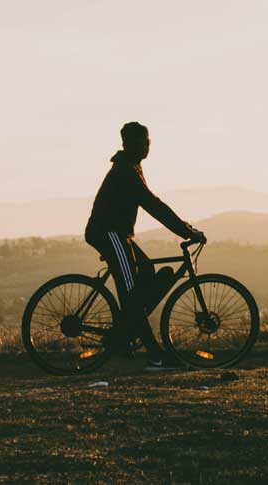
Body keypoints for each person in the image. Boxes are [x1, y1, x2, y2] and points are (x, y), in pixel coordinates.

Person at [85, 121, 205, 371]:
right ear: (128, 144)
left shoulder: (131, 167)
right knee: (131, 297)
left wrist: (185, 229)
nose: (147, 145)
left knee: (148, 271)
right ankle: (155, 355)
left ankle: (127, 330)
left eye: (148, 141)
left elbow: (152, 204)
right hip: (110, 235)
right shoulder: (126, 171)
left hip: (119, 235)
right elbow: (153, 205)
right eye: (143, 141)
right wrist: (186, 231)